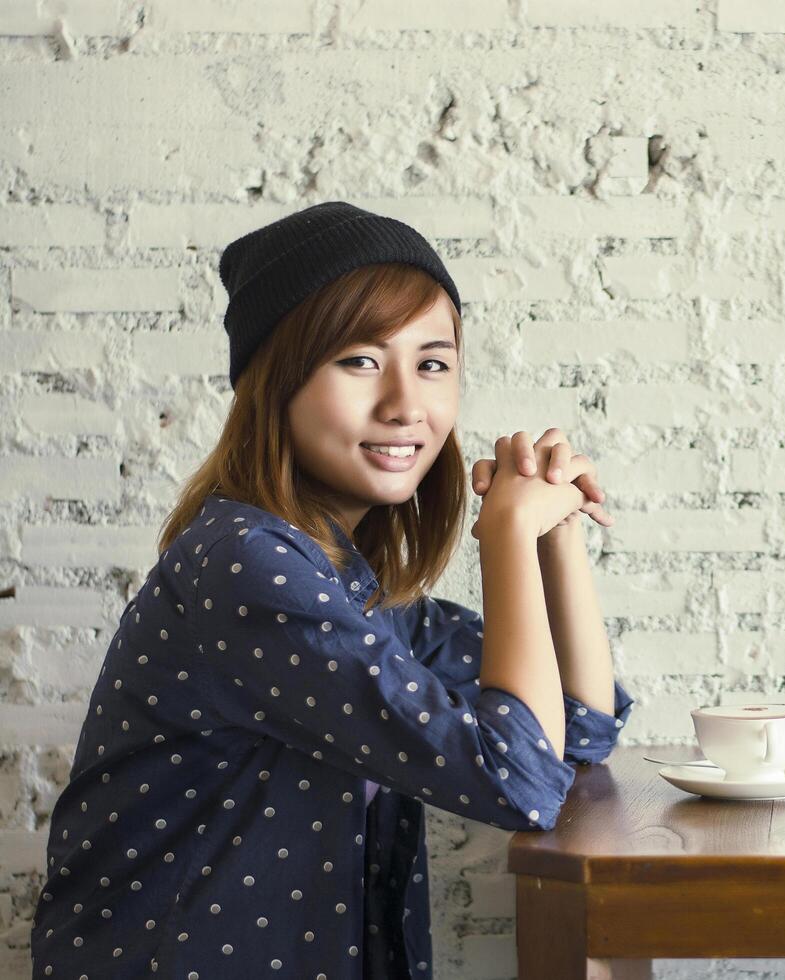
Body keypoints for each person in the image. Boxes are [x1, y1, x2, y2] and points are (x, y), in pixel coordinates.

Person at [29, 201, 635, 979]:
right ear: (275, 380)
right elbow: (518, 781)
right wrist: (506, 536)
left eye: (433, 363)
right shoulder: (247, 566)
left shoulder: (350, 582)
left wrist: (558, 534)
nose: (405, 404)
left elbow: (576, 732)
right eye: (359, 360)